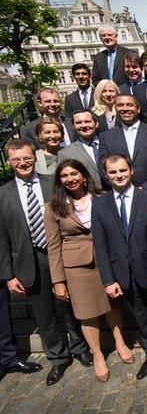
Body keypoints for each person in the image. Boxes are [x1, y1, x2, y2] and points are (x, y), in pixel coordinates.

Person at [0, 140, 91, 386]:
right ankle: (58, 358)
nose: (23, 163)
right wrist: (8, 275)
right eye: (17, 159)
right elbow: (2, 239)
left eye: (27, 157)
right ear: (9, 161)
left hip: (61, 253)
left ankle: (80, 347)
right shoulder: (2, 194)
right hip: (29, 260)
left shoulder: (52, 183)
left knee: (71, 305)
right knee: (44, 314)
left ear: (34, 156)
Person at [44, 159, 135, 382]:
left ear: (84, 176)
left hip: (106, 260)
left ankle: (120, 342)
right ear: (60, 181)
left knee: (111, 305)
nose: (70, 179)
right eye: (65, 176)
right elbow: (53, 246)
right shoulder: (53, 207)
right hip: (76, 267)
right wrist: (58, 280)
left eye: (74, 174)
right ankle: (97, 354)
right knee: (87, 312)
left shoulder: (102, 198)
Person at [92, 153, 147, 380]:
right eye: (113, 172)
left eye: (122, 170)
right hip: (122, 275)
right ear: (106, 175)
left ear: (131, 171)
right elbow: (100, 245)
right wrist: (108, 280)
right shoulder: (99, 205)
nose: (118, 175)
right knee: (141, 316)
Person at [97, 94, 147, 192]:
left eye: (129, 105)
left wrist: (145, 188)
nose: (125, 108)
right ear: (115, 109)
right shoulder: (106, 137)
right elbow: (102, 168)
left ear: (138, 109)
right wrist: (120, 187)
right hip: (119, 194)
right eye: (120, 105)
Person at [58, 109, 104, 190]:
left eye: (87, 121)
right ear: (73, 126)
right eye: (79, 123)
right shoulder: (66, 153)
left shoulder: (110, 143)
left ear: (96, 123)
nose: (83, 125)